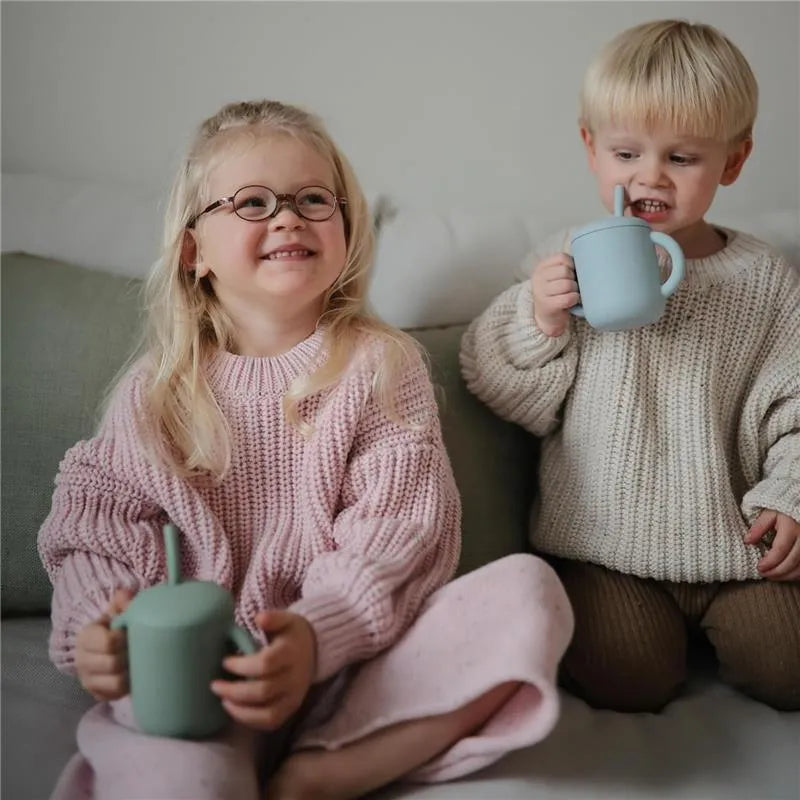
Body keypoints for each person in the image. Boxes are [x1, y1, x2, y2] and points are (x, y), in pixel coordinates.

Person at [38, 98, 573, 800]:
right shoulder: (158, 392)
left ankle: (329, 771)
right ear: (195, 253)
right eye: (252, 203)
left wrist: (317, 635)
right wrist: (98, 627)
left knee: (531, 593)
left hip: (350, 665)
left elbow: (399, 528)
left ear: (346, 230)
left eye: (313, 199)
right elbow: (95, 525)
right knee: (182, 778)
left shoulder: (381, 367)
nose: (287, 218)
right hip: (199, 681)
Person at [460, 20, 800, 714]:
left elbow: (796, 406)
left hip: (736, 549)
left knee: (789, 666)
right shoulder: (564, 262)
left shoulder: (765, 280)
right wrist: (539, 317)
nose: (649, 176)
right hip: (602, 549)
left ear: (733, 162)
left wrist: (791, 493)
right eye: (625, 153)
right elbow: (496, 385)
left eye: (682, 157)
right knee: (628, 678)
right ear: (591, 149)